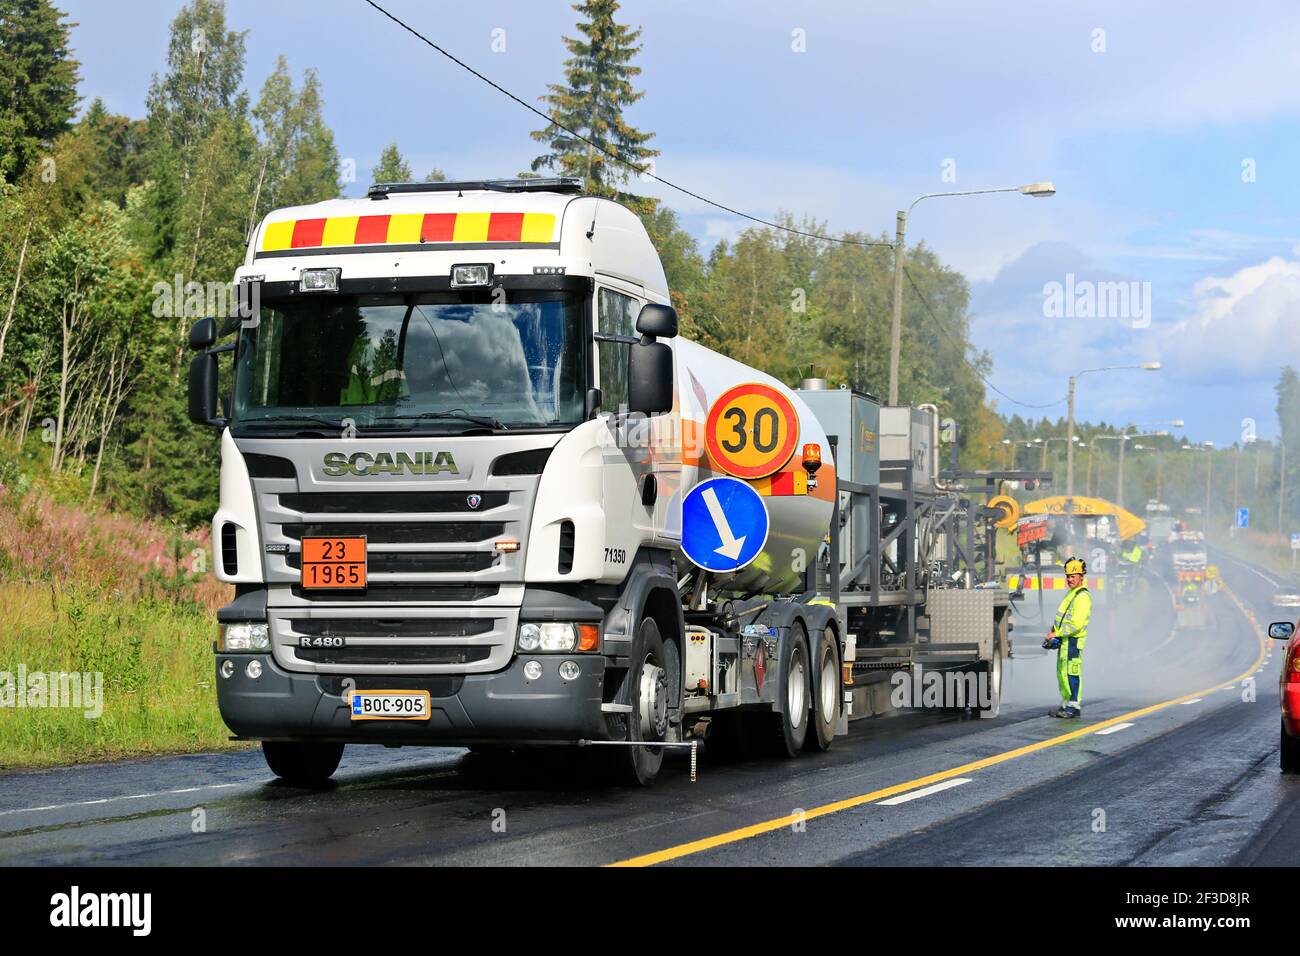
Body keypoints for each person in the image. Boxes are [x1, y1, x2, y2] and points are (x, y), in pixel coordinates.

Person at [1042, 557, 1091, 718]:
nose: (1069, 579)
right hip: (1065, 641)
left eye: (1073, 576)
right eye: (1068, 576)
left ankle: (1073, 707)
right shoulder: (1072, 594)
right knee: (1062, 673)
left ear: (1081, 577)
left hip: (1073, 642)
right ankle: (1066, 705)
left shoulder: (1082, 597)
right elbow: (1063, 619)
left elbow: (1075, 624)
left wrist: (1057, 633)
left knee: (1071, 673)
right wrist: (1053, 632)